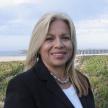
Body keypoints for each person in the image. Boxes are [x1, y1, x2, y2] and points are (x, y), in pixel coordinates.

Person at [4, 12, 95, 108]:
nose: (59, 45)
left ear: (72, 43)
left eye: (65, 38)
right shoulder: (22, 86)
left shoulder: (81, 81)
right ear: (38, 46)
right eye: (49, 39)